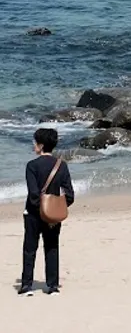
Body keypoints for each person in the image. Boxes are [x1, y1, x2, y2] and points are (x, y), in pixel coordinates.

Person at [20, 126, 75, 295]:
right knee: (52, 248)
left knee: (30, 248)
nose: (34, 145)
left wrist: (40, 211)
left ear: (41, 145)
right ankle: (52, 286)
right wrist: (54, 211)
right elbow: (70, 195)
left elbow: (33, 194)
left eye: (35, 142)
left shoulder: (32, 165)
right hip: (53, 215)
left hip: (33, 213)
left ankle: (27, 286)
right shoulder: (61, 165)